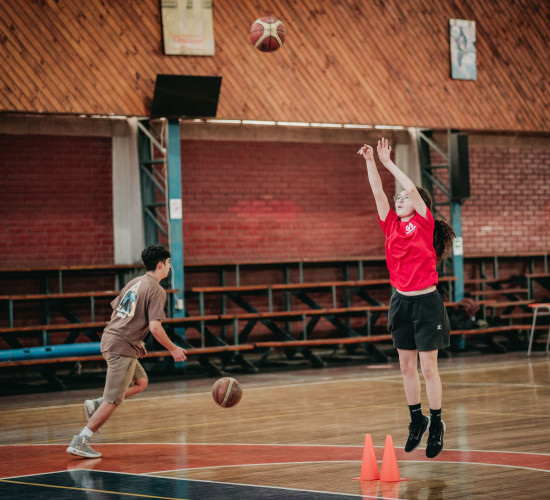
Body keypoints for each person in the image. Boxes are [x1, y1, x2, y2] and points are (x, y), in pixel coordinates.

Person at [357, 138, 455, 458]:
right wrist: (371, 161)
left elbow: (411, 189)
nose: (399, 199)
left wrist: (389, 163)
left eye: (403, 197)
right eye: (397, 197)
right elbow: (377, 192)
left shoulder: (423, 224)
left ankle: (437, 423)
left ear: (417, 204)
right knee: (406, 367)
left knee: (429, 369)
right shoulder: (390, 227)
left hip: (427, 303)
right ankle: (417, 419)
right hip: (401, 302)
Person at [67, 245, 187, 458]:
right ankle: (81, 440)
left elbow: (119, 312)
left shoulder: (135, 282)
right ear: (160, 264)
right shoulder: (157, 290)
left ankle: (95, 404)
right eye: (169, 263)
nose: (170, 267)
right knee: (113, 400)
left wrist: (136, 339)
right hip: (121, 347)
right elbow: (155, 327)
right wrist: (173, 349)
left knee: (141, 383)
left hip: (112, 339)